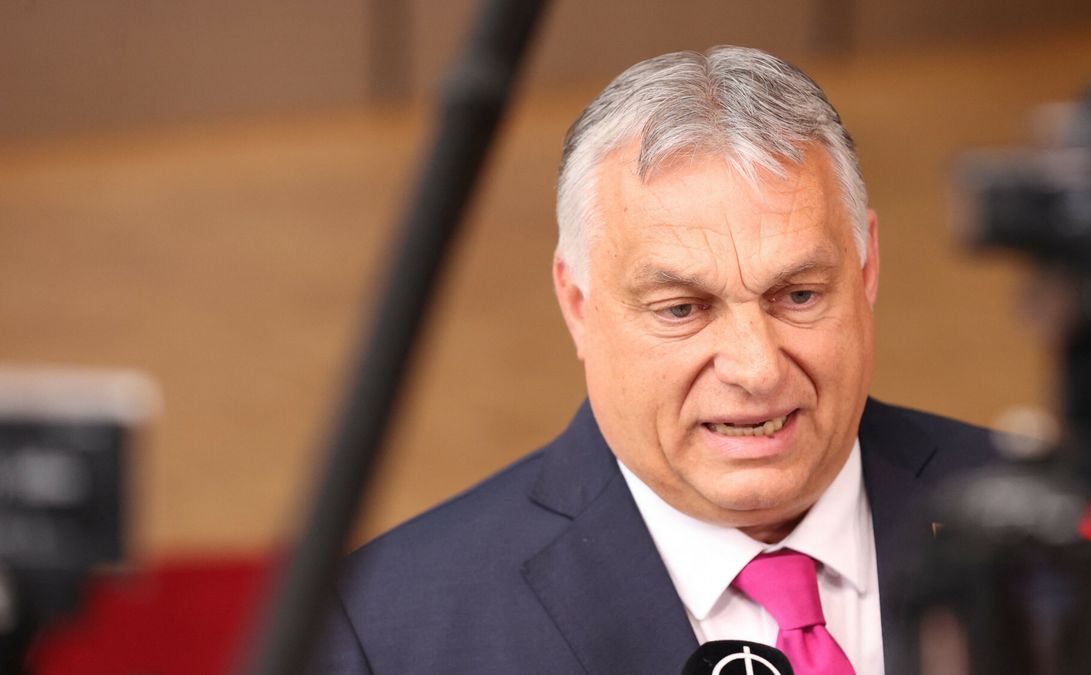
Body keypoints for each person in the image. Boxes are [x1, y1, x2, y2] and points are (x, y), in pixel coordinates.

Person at [312, 45, 995, 674]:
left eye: (798, 294)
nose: (756, 368)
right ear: (578, 303)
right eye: (682, 309)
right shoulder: (388, 629)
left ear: (867, 267)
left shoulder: (1073, 524)